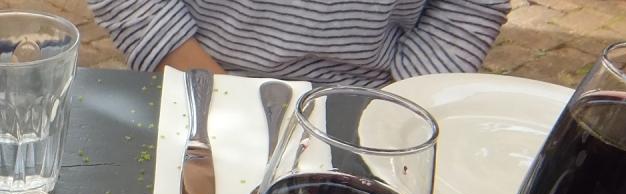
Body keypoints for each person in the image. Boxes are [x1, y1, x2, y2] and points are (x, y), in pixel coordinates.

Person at [86, 0, 510, 86]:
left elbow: (471, 8)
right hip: (194, 83)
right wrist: (221, 93)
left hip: (373, 103)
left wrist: (397, 109)